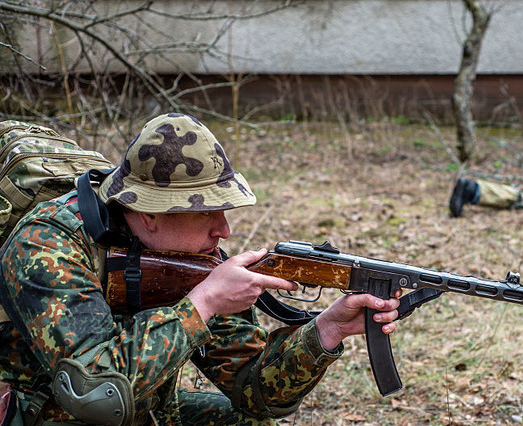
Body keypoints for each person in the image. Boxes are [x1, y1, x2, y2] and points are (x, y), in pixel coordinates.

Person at [0, 113, 400, 426]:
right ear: (148, 212)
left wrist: (327, 329)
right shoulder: (46, 246)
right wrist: (202, 304)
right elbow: (96, 392)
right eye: (206, 211)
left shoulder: (187, 256)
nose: (223, 230)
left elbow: (256, 390)